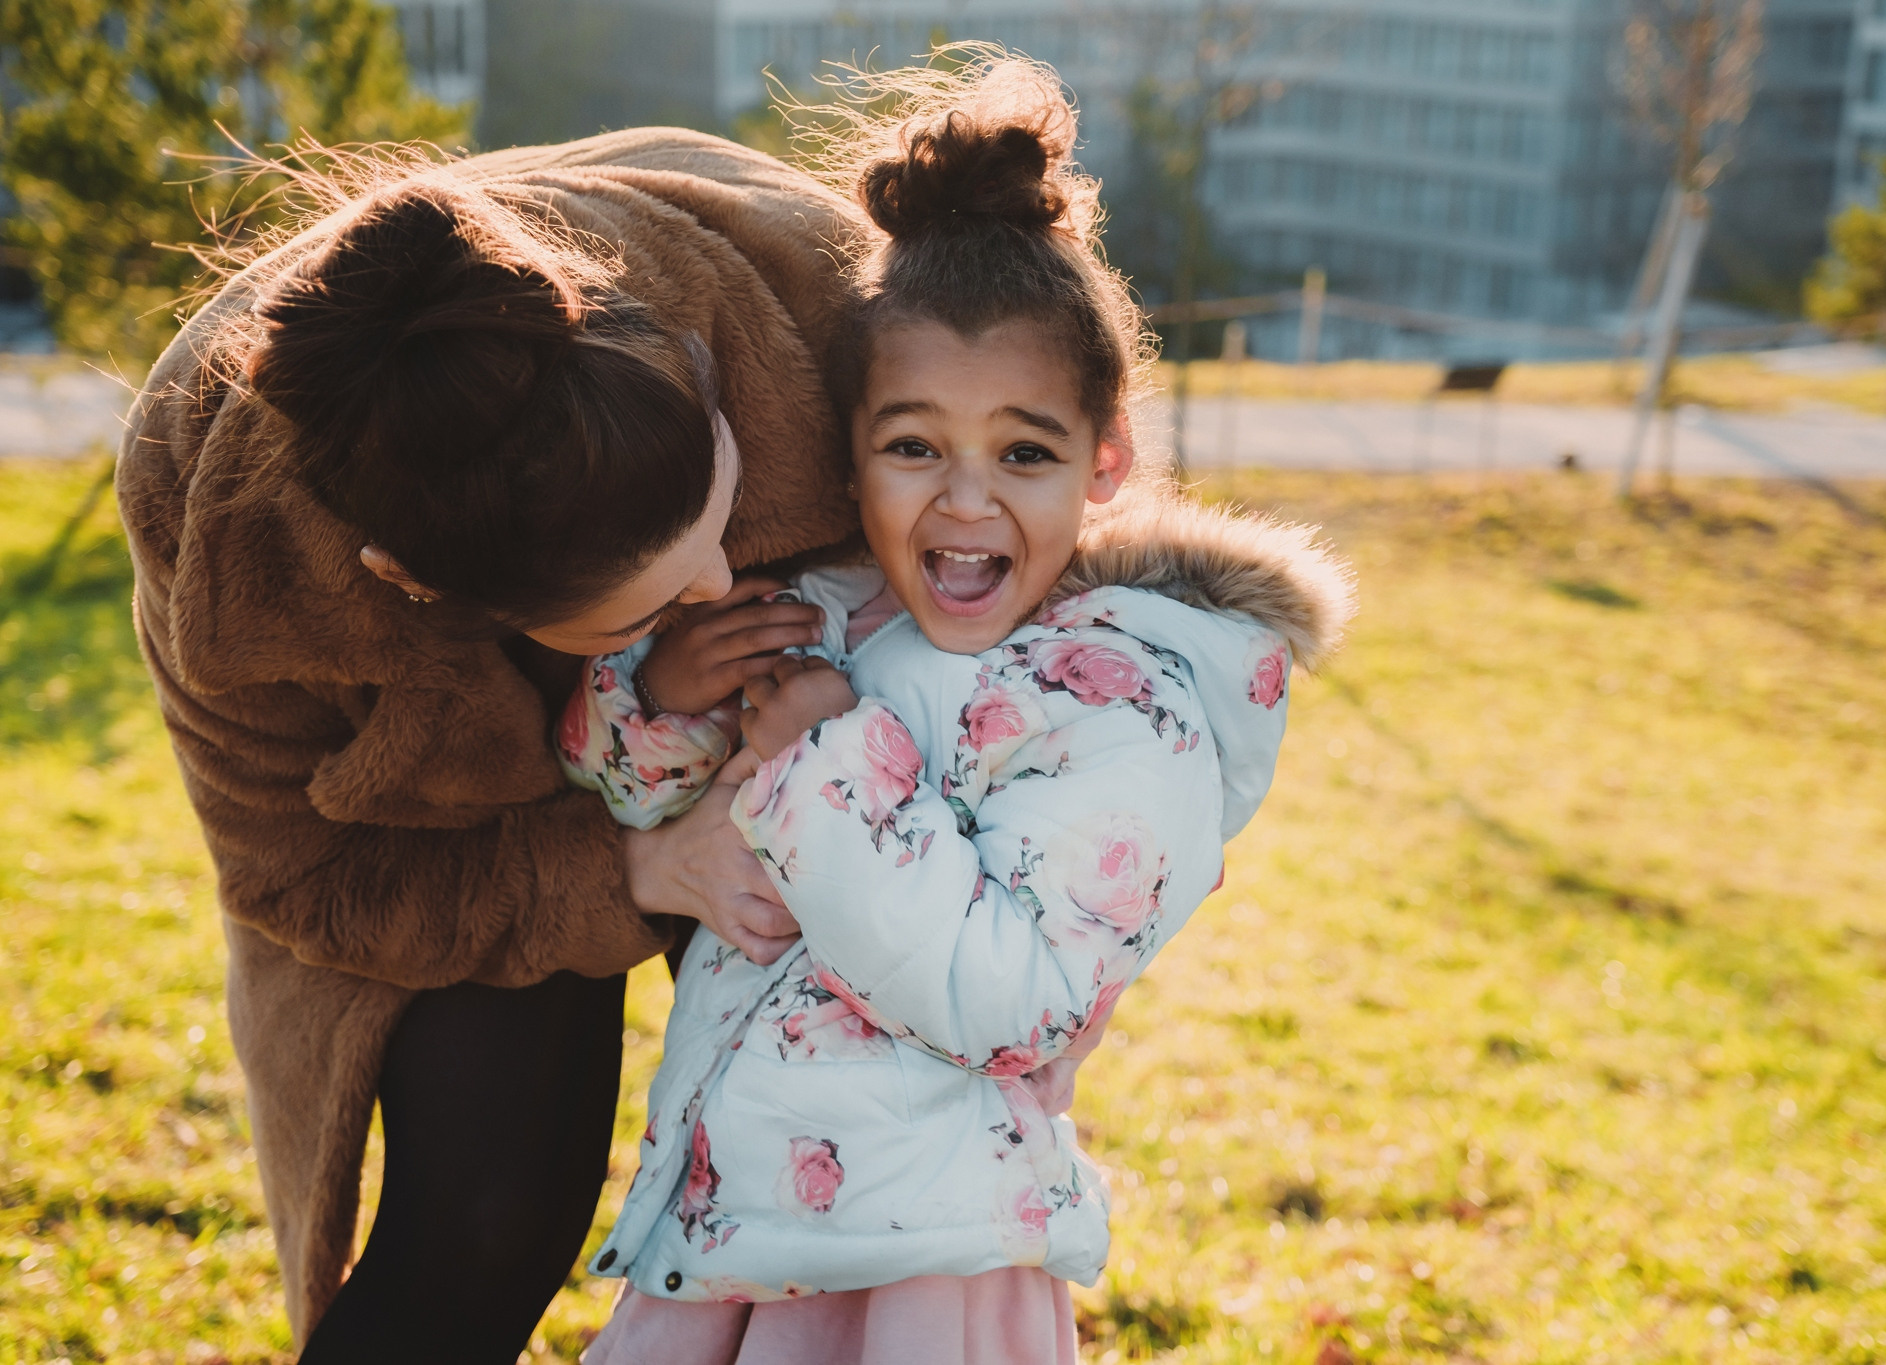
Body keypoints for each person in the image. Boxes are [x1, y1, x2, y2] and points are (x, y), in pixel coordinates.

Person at [556, 59, 1354, 1364]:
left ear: (1107, 462)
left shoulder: (1130, 709)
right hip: (725, 1231)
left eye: (1025, 453)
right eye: (915, 445)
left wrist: (818, 749)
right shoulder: (817, 616)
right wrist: (658, 696)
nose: (967, 502)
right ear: (849, 442)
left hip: (930, 1267)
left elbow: (1013, 1000)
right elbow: (639, 799)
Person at [116, 131, 871, 1359]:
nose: (725, 579)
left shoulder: (799, 283)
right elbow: (297, 876)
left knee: (840, 1166)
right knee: (484, 1218)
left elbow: (1031, 407)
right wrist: (623, 872)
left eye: (724, 515)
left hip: (787, 760)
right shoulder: (219, 543)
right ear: (410, 591)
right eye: (645, 603)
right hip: (457, 843)